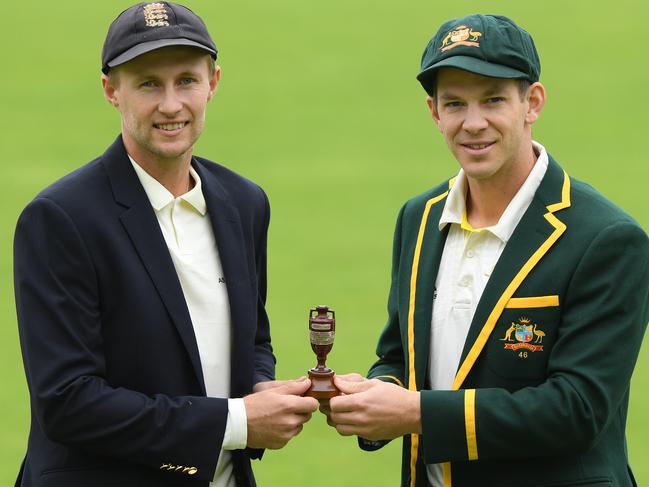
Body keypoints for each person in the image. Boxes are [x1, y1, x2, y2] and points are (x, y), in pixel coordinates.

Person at [324, 13, 649, 487]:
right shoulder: (418, 217)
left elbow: (577, 409)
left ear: (531, 102)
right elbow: (399, 355)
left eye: (493, 99)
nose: (473, 124)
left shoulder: (608, 239)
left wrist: (415, 413)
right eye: (454, 103)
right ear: (434, 112)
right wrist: (374, 395)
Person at [13, 2, 318, 486]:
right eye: (149, 84)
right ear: (112, 90)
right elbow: (68, 402)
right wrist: (238, 421)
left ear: (213, 82)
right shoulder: (60, 219)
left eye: (186, 81)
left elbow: (253, 337)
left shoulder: (244, 202)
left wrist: (263, 387)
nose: (171, 105)